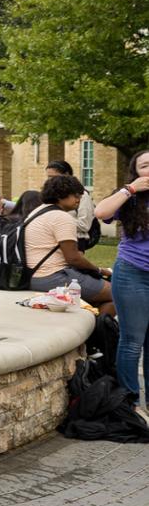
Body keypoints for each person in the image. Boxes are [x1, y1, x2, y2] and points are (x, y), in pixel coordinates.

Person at [95, 150, 149, 407]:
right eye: (145, 166)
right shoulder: (129, 198)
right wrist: (130, 189)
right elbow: (100, 211)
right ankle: (131, 403)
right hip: (132, 274)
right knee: (132, 340)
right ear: (136, 172)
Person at [23, 175, 115, 316]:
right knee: (118, 293)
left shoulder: (37, 212)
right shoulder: (62, 217)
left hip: (31, 276)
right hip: (52, 277)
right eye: (75, 195)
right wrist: (100, 270)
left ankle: (93, 331)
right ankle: (100, 336)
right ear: (61, 195)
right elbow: (73, 258)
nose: (79, 200)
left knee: (99, 297)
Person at [46, 160, 98, 241]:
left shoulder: (82, 196)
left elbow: (84, 225)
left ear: (66, 174)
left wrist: (59, 220)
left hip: (75, 240)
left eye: (53, 177)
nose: (50, 180)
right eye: (48, 177)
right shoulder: (50, 195)